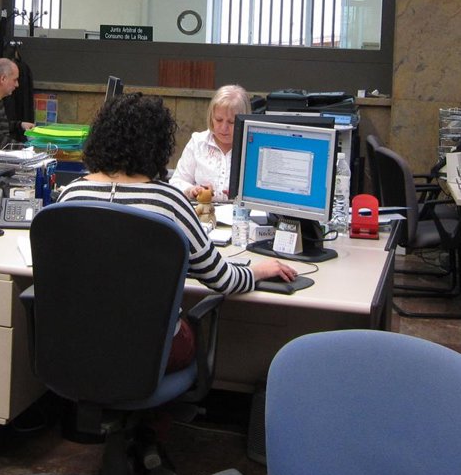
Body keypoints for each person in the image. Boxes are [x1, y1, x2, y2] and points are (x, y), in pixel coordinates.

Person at [60, 93, 296, 357]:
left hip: (76, 345)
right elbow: (224, 280)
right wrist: (258, 271)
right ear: (158, 146)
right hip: (150, 349)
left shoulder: (70, 195)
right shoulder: (168, 201)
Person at [169, 84, 252, 202]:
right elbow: (176, 181)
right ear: (211, 117)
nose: (224, 127)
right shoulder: (198, 142)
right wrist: (192, 190)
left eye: (231, 122)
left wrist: (243, 195)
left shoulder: (252, 147)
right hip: (202, 210)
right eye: (219, 120)